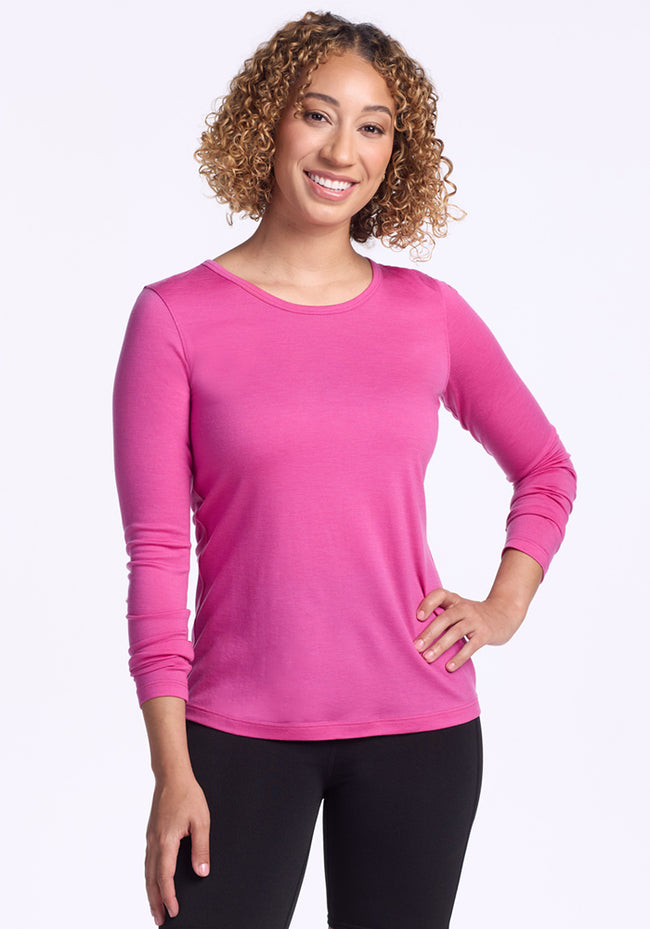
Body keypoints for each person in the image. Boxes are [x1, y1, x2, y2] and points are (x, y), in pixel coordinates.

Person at [112, 11, 577, 929]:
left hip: (420, 730)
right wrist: (171, 768)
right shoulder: (174, 318)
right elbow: (158, 557)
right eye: (317, 114)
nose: (342, 151)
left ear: (396, 153)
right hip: (233, 735)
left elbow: (547, 468)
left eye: (373, 127)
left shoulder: (428, 314)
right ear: (269, 122)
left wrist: (504, 606)